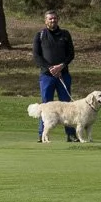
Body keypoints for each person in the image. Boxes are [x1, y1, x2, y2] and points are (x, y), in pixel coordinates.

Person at [34, 10, 77, 143]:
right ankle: (42, 135)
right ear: (45, 21)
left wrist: (61, 66)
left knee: (67, 106)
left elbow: (71, 54)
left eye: (54, 18)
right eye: (50, 19)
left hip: (63, 75)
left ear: (58, 19)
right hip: (47, 76)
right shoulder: (40, 35)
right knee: (46, 105)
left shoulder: (65, 34)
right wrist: (50, 68)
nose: (53, 20)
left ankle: (71, 135)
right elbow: (37, 56)